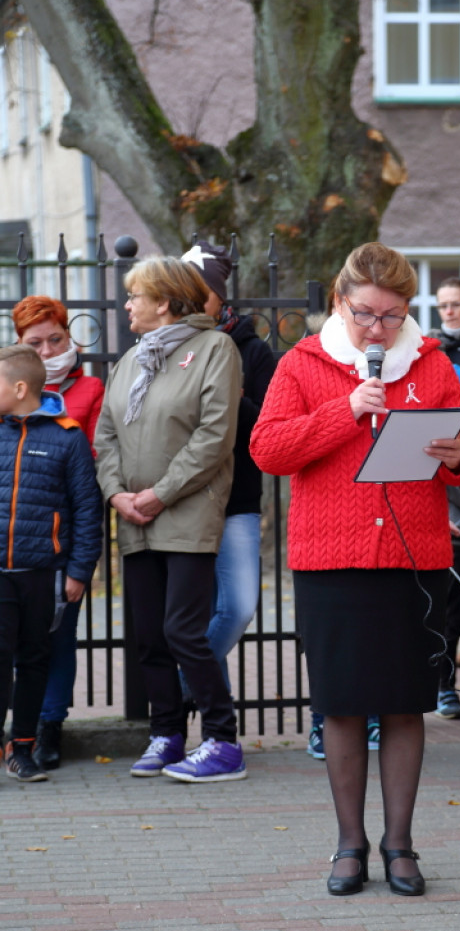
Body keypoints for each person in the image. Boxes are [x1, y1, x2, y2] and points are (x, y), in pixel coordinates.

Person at [250, 242, 460, 896]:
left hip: (412, 558)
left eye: (391, 316)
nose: (378, 329)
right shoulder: (302, 363)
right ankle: (349, 843)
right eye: (365, 315)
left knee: (407, 704)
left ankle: (401, 845)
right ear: (339, 301)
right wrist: (346, 410)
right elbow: (268, 449)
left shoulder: (433, 363)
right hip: (332, 562)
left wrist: (452, 453)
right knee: (343, 707)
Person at [95, 256, 245, 783]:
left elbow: (214, 435)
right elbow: (106, 434)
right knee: (149, 637)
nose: (128, 304)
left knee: (183, 629)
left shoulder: (214, 349)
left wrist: (160, 493)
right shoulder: (129, 361)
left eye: (136, 296)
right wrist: (118, 495)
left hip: (186, 512)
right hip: (134, 517)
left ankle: (224, 742)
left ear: (164, 302)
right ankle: (167, 735)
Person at [11, 295, 105, 770]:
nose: (48, 351)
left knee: (55, 639)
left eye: (56, 339)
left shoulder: (89, 391)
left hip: (61, 540)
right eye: (36, 343)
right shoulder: (7, 401)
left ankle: (49, 726)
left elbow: (94, 465)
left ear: (70, 337)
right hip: (13, 543)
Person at [181, 240, 276, 694]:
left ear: (221, 296)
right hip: (180, 500)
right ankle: (215, 730)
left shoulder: (253, 352)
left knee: (237, 608)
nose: (192, 298)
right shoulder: (165, 346)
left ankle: (181, 683)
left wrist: (231, 399)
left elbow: (269, 430)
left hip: (236, 499)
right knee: (192, 615)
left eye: (201, 289)